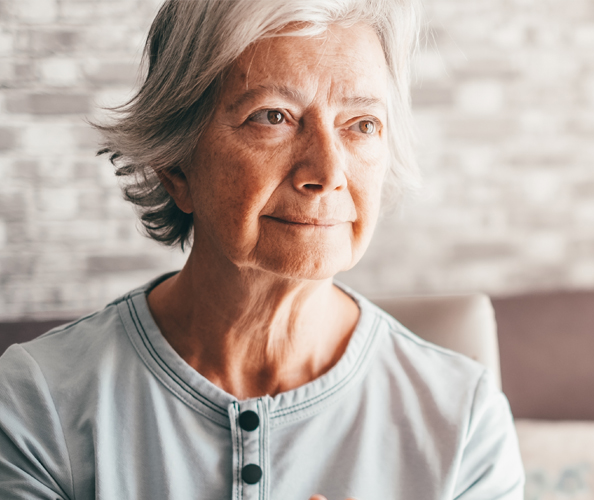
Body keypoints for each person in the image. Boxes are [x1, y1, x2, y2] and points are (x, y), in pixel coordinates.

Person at [0, 1, 524, 499]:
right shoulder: (36, 400)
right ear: (176, 164)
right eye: (273, 116)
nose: (327, 173)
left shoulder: (464, 418)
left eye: (361, 125)